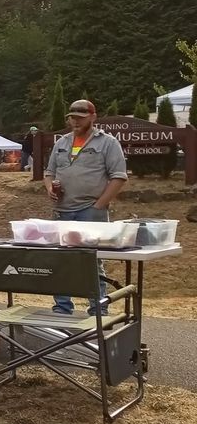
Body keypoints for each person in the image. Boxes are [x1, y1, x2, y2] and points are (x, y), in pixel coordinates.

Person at [45, 99, 128, 316]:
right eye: (72, 117)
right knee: (61, 261)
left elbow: (118, 177)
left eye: (80, 118)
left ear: (93, 117)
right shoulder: (62, 142)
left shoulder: (108, 143)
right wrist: (49, 189)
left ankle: (98, 308)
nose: (75, 122)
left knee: (92, 261)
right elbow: (49, 173)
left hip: (91, 211)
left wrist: (99, 205)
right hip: (63, 211)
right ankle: (62, 308)